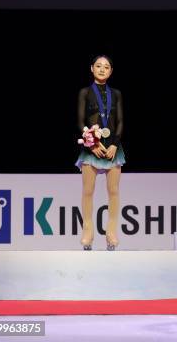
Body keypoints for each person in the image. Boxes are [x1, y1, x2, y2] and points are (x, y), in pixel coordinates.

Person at [76, 55, 125, 250]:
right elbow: (80, 121)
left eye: (106, 67)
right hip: (91, 147)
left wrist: (114, 144)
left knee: (113, 191)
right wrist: (91, 143)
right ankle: (88, 232)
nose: (102, 69)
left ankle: (111, 232)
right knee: (88, 191)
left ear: (111, 71)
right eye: (98, 66)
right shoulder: (85, 92)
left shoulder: (117, 94)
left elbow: (121, 121)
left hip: (113, 146)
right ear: (91, 68)